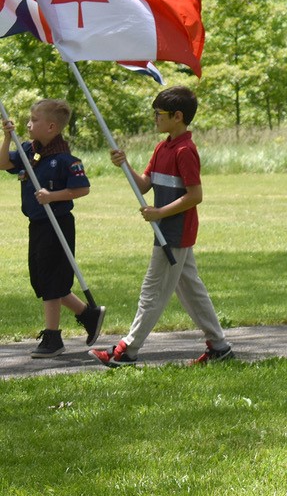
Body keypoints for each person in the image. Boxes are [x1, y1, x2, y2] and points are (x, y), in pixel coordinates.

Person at [92, 86, 234, 367]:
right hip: (166, 230)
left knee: (152, 291)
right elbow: (144, 184)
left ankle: (127, 351)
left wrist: (160, 213)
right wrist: (125, 165)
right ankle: (220, 347)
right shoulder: (162, 147)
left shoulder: (185, 151)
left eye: (159, 114)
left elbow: (195, 195)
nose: (155, 118)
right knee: (191, 290)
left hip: (175, 233)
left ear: (177, 116)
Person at [1, 99, 105, 359]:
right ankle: (87, 314)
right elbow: (3, 164)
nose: (28, 123)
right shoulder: (28, 151)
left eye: (33, 120)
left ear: (50, 127)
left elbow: (82, 189)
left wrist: (52, 196)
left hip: (57, 224)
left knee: (51, 280)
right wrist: (6, 138)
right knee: (41, 280)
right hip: (37, 224)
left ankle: (53, 338)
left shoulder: (66, 160)